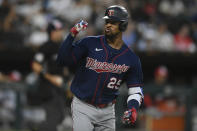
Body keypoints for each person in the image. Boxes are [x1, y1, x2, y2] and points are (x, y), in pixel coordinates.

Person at [57, 5, 144, 131]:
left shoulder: (131, 58)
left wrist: (133, 108)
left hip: (107, 111)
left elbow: (136, 90)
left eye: (113, 22)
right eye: (107, 21)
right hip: (83, 106)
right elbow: (62, 60)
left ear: (123, 25)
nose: (108, 25)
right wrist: (71, 34)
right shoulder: (89, 43)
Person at [30, 19, 67, 131]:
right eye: (58, 30)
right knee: (53, 119)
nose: (60, 32)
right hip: (48, 88)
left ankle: (37, 128)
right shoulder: (46, 46)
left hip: (58, 88)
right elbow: (35, 66)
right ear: (52, 32)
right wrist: (50, 78)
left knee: (60, 116)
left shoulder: (60, 46)